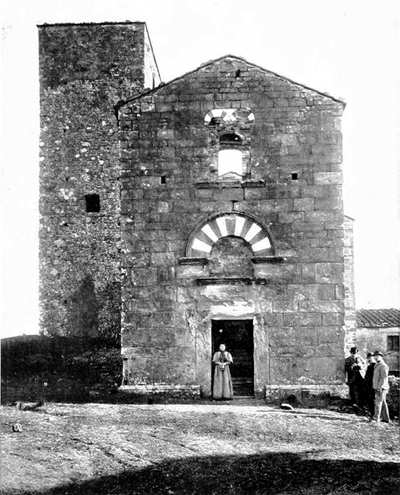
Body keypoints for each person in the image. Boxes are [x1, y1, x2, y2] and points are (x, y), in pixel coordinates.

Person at [372, 350, 391, 424]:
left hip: (381, 387)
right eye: (375, 356)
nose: (376, 358)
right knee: (382, 402)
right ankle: (386, 419)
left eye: (377, 356)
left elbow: (384, 378)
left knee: (378, 403)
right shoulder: (377, 365)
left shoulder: (383, 365)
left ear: (381, 357)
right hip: (378, 386)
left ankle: (376, 418)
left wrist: (379, 387)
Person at [363, 352, 375, 417]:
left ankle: (372, 414)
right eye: (368, 358)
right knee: (369, 400)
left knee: (371, 400)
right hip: (368, 385)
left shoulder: (374, 365)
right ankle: (370, 413)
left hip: (371, 385)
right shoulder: (369, 365)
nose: (369, 359)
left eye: (370, 357)